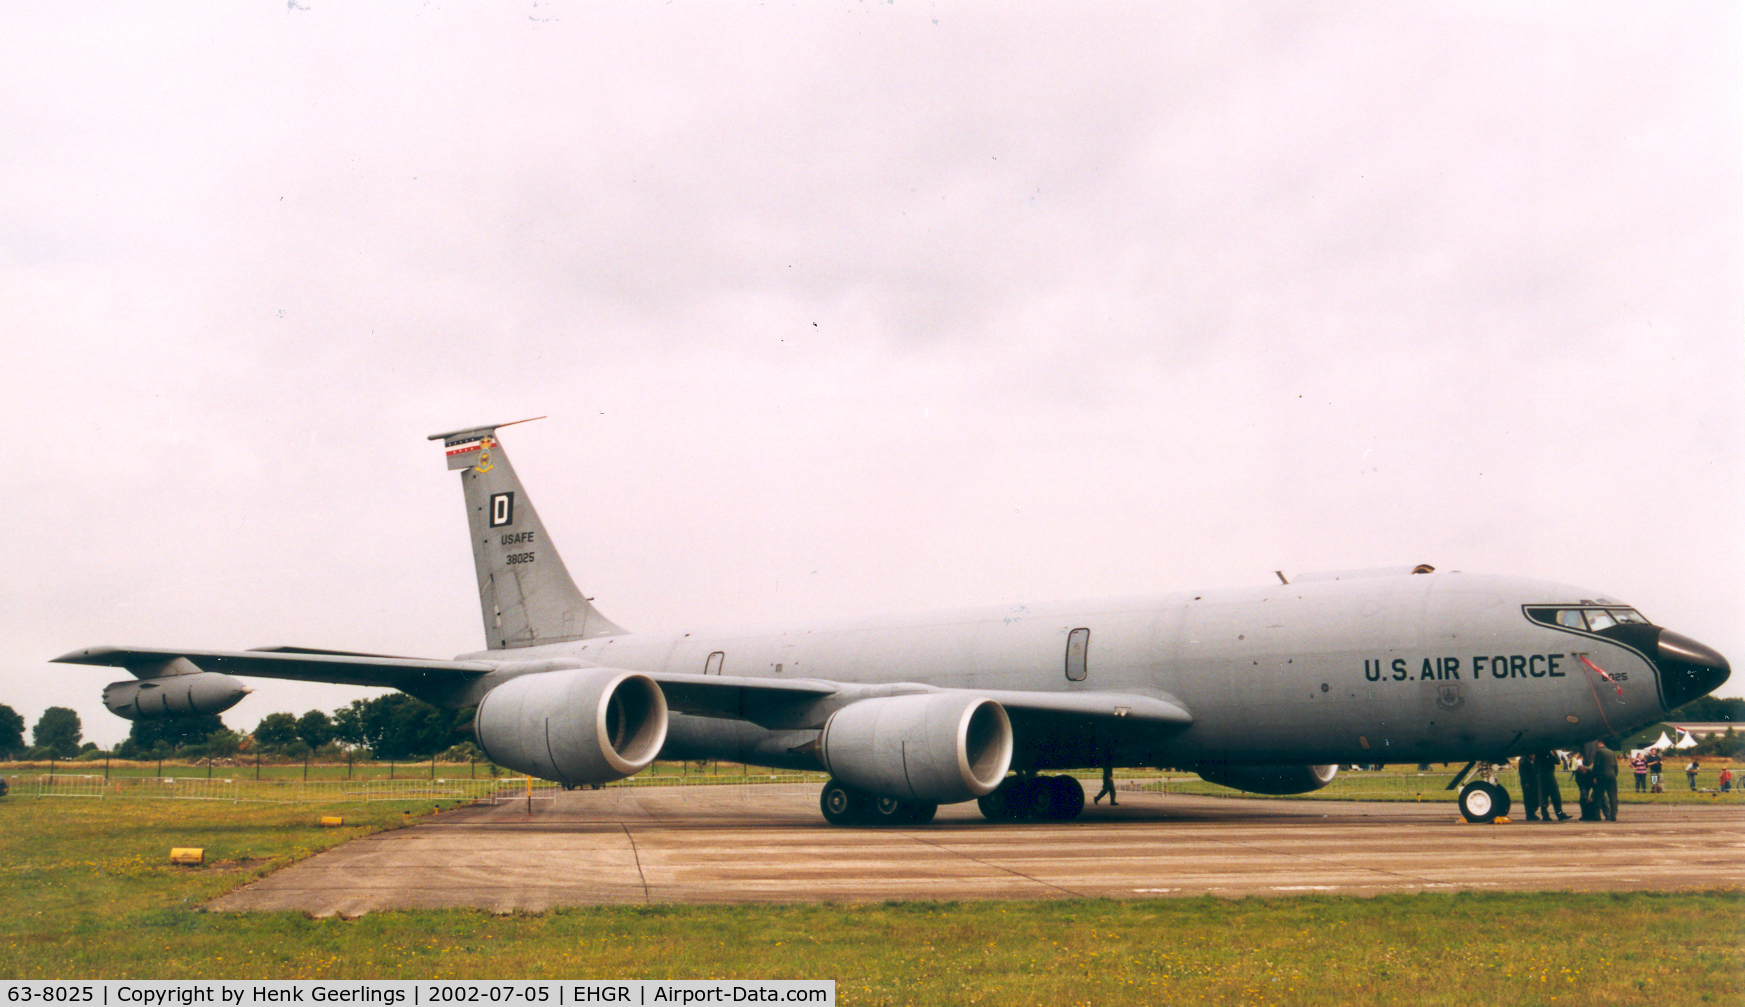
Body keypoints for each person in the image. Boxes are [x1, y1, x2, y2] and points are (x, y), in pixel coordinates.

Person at [1533, 749, 1567, 821]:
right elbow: (1557, 761)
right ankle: (1559, 814)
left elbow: (1535, 766)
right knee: (1555, 797)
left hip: (1541, 777)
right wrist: (1555, 753)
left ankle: (1545, 815)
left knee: (1543, 798)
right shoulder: (1548, 754)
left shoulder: (1538, 755)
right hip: (1549, 777)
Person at [1592, 743, 1620, 821]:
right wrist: (1615, 774)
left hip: (1602, 775)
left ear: (1599, 744)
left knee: (1599, 795)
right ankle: (1613, 815)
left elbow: (1596, 765)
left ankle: (1597, 815)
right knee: (1613, 796)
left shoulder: (1599, 752)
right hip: (1612, 775)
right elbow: (1615, 766)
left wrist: (1595, 776)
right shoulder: (1611, 752)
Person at [1518, 753, 1542, 821]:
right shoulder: (1523, 759)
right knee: (1528, 799)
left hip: (1533, 782)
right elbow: (1522, 772)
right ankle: (1530, 815)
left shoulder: (1531, 758)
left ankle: (1532, 813)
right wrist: (1525, 782)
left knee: (1535, 798)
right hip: (1528, 783)